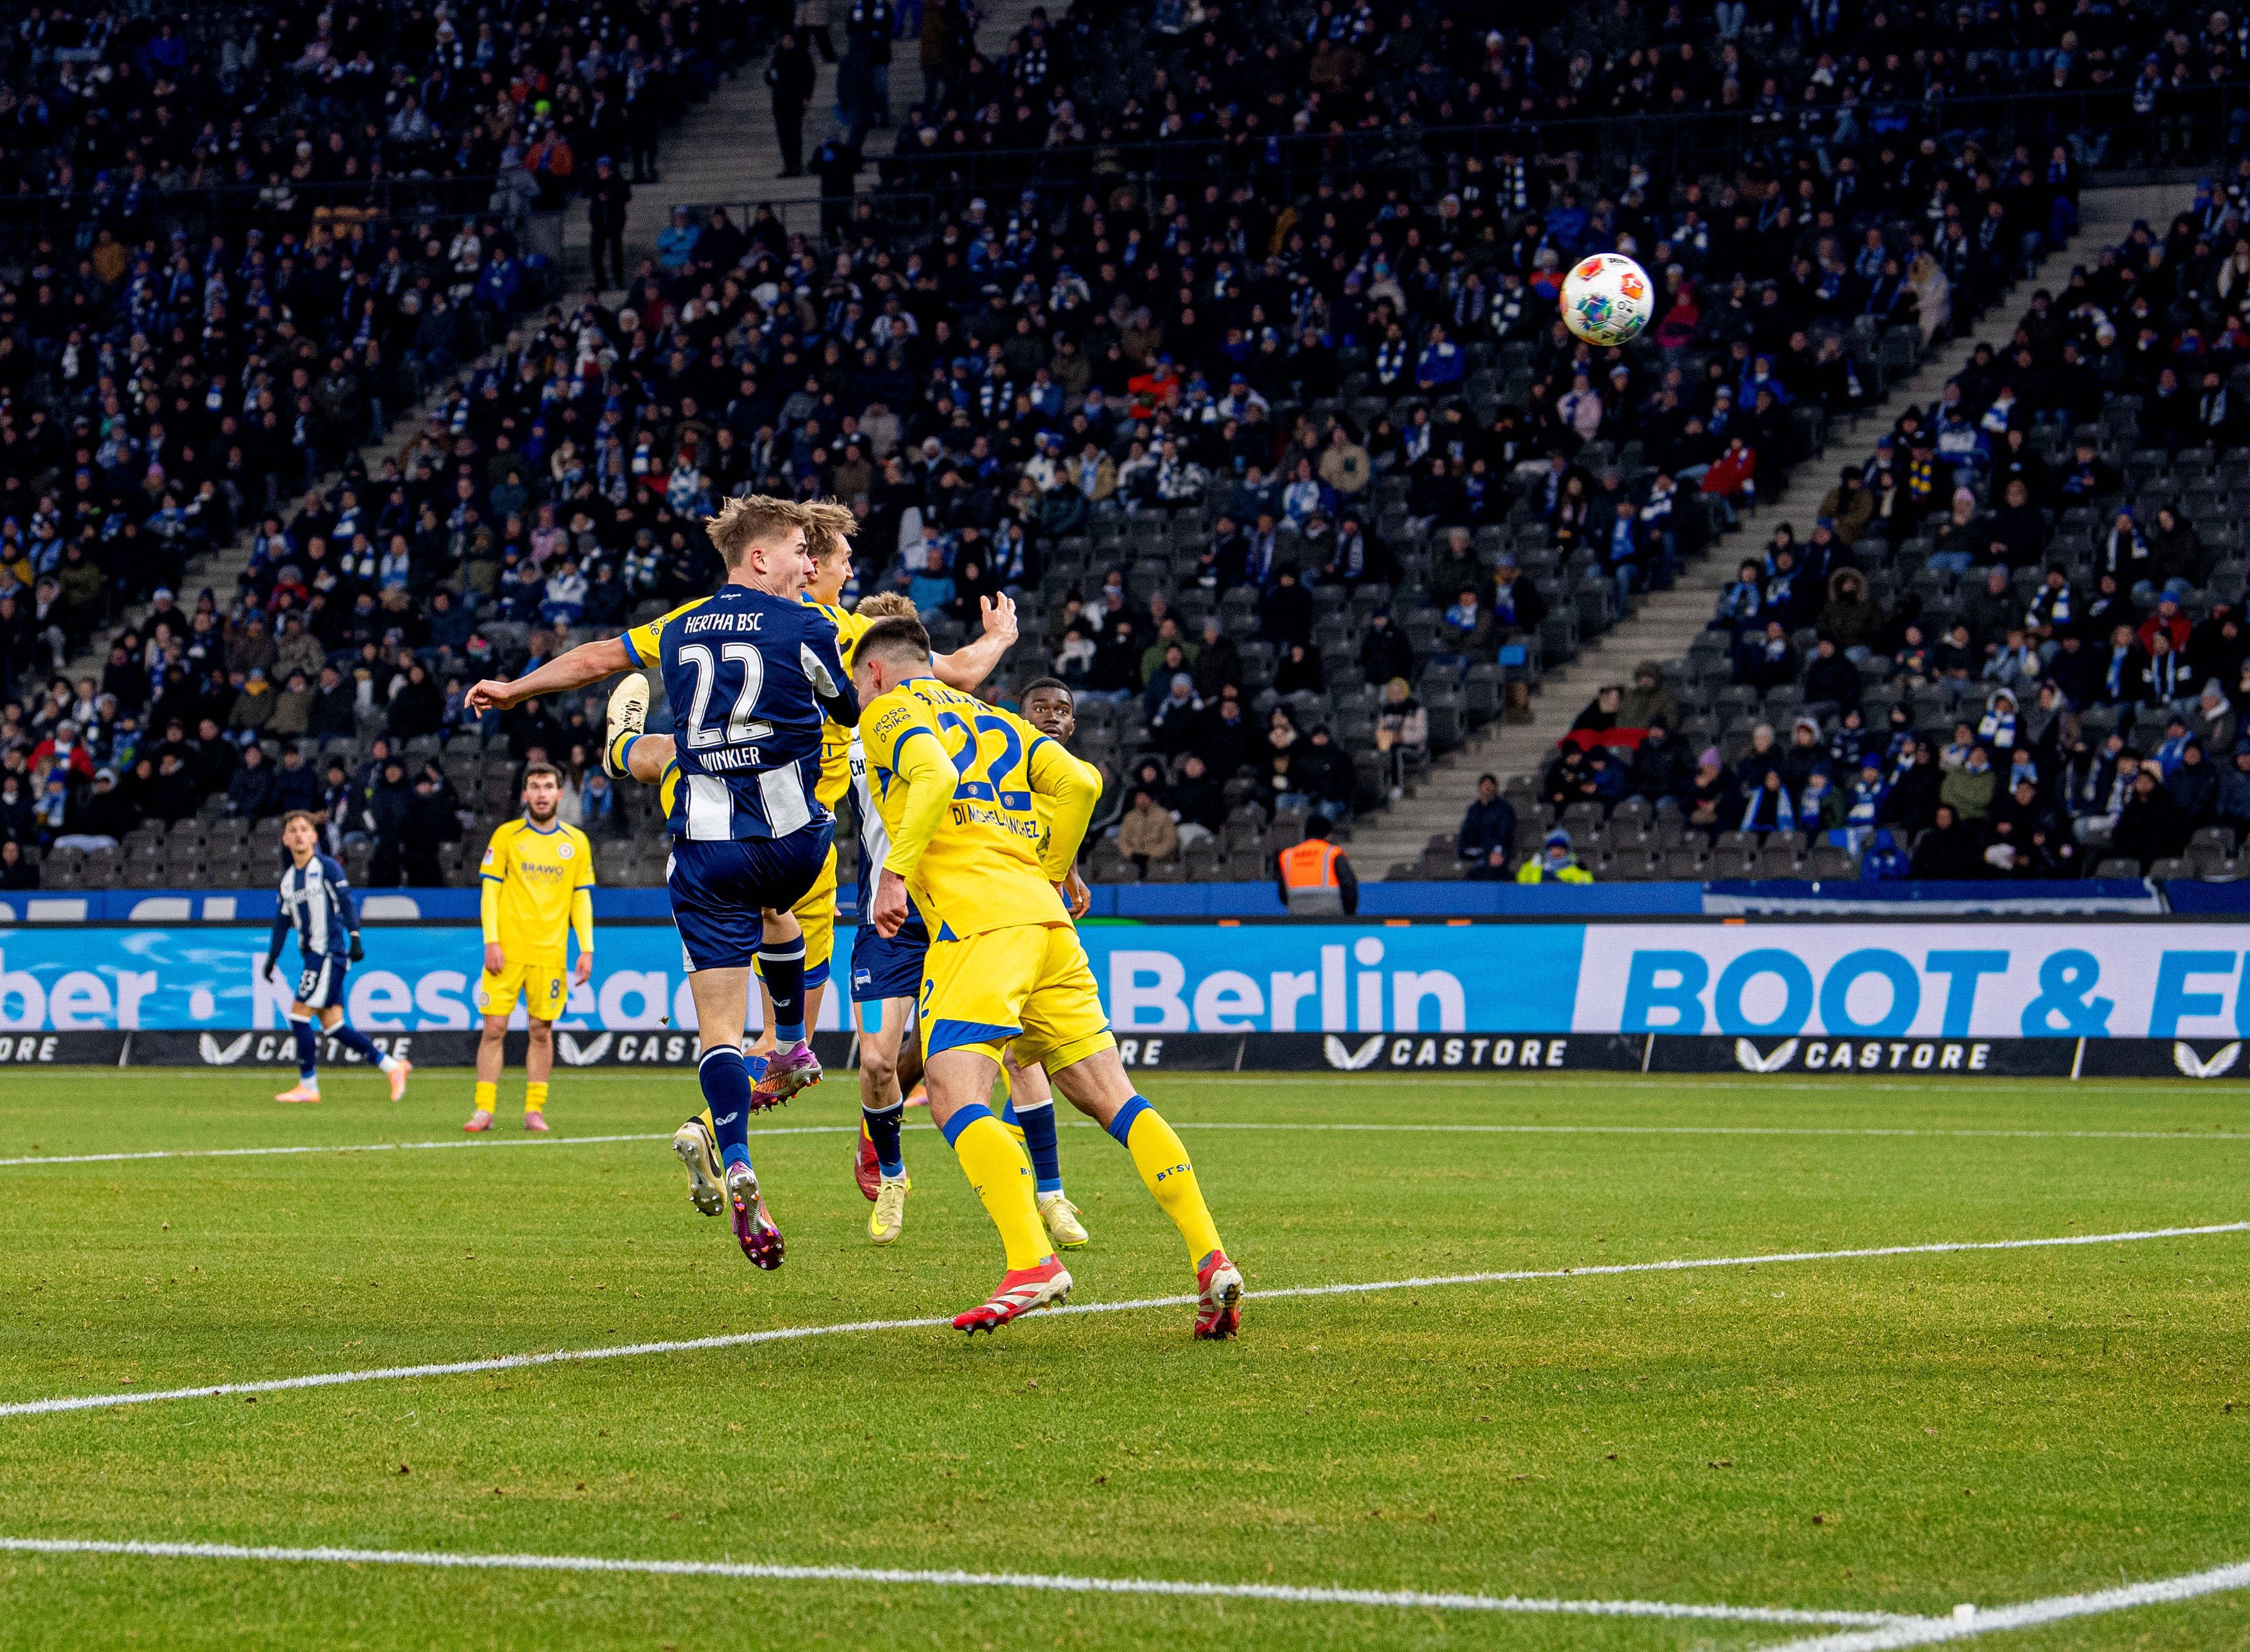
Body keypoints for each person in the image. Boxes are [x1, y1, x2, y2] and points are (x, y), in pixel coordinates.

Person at [467, 495, 859, 1273]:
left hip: (705, 852)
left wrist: (513, 688)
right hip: (792, 841)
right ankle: (787, 1044)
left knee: (716, 1028)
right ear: (757, 558)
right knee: (781, 911)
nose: (808, 565)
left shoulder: (678, 624)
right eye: (795, 552)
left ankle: (740, 1152)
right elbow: (848, 703)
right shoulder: (810, 623)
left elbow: (590, 661)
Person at [613, 501, 1015, 1219]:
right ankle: (718, 1131)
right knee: (788, 1051)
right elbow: (954, 673)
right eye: (833, 559)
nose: (840, 570)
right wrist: (1000, 639)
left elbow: (620, 660)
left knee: (670, 754)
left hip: (722, 815)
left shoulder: (751, 624)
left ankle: (619, 746)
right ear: (810, 564)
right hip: (797, 847)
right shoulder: (834, 631)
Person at [854, 615, 1242, 1337]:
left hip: (978, 925)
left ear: (874, 671)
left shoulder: (886, 709)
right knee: (1115, 1099)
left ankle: (1031, 1260)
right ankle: (1209, 1255)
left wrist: (895, 871)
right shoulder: (995, 717)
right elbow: (1082, 782)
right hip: (1048, 924)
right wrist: (1052, 869)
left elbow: (933, 773)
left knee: (951, 1093)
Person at [464, 763, 596, 1134]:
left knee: (541, 1031)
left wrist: (586, 948)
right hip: (506, 952)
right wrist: (491, 941)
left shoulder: (576, 843)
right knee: (494, 1028)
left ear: (559, 794)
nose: (541, 794)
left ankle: (534, 1110)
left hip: (550, 955)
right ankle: (484, 1110)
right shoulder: (506, 836)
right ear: (525, 795)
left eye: (548, 787)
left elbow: (580, 900)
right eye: (534, 787)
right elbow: (490, 892)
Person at [263, 810, 413, 1106]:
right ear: (285, 839)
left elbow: (346, 903)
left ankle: (308, 1085)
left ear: (314, 836)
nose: (298, 834)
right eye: (292, 830)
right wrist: (272, 958)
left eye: (304, 829)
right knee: (333, 1025)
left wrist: (355, 938)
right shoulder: (288, 881)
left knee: (298, 1015)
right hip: (313, 957)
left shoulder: (327, 868)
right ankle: (392, 1066)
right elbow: (282, 923)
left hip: (328, 954)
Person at [1275, 813, 1357, 914]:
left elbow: (1283, 893)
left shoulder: (1288, 856)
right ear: (1328, 835)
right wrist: (1349, 914)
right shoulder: (1333, 853)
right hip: (1330, 916)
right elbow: (1348, 886)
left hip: (1298, 915)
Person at [1457, 773, 1516, 879]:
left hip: (1495, 849)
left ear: (1496, 787)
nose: (1487, 787)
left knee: (1491, 868)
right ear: (1479, 787)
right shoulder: (1473, 809)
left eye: (1490, 784)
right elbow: (1467, 830)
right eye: (1484, 784)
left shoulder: (1504, 809)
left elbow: (1504, 833)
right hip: (1476, 850)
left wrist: (1497, 850)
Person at [1517, 827, 1593, 883]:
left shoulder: (1576, 866)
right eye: (1553, 847)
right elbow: (1521, 881)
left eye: (1561, 847)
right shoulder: (1536, 865)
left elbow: (1586, 883)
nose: (1557, 851)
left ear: (1567, 849)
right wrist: (1533, 867)